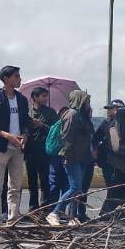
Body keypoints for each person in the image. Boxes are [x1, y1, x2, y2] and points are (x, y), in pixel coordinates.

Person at [0, 66, 29, 223]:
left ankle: (13, 218)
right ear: (6, 79)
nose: (19, 79)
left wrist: (24, 135)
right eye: (16, 76)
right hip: (0, 147)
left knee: (15, 186)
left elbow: (25, 123)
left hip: (18, 148)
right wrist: (7, 135)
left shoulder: (22, 100)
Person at [45, 90, 94, 226]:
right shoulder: (72, 114)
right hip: (72, 157)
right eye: (86, 101)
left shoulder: (83, 116)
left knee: (78, 190)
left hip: (82, 158)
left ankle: (71, 216)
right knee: (74, 187)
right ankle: (54, 212)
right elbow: (66, 137)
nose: (88, 103)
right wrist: (67, 155)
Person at [98, 103, 125, 218]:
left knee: (124, 194)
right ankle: (106, 216)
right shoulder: (113, 128)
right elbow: (117, 148)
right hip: (116, 166)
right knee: (114, 194)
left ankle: (119, 216)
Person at [25, 87, 56, 212]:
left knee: (44, 178)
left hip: (44, 149)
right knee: (31, 180)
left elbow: (55, 131)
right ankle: (33, 208)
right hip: (30, 149)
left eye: (46, 96)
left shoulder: (50, 112)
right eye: (43, 96)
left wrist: (41, 125)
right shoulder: (27, 112)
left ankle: (45, 207)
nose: (45, 99)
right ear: (35, 97)